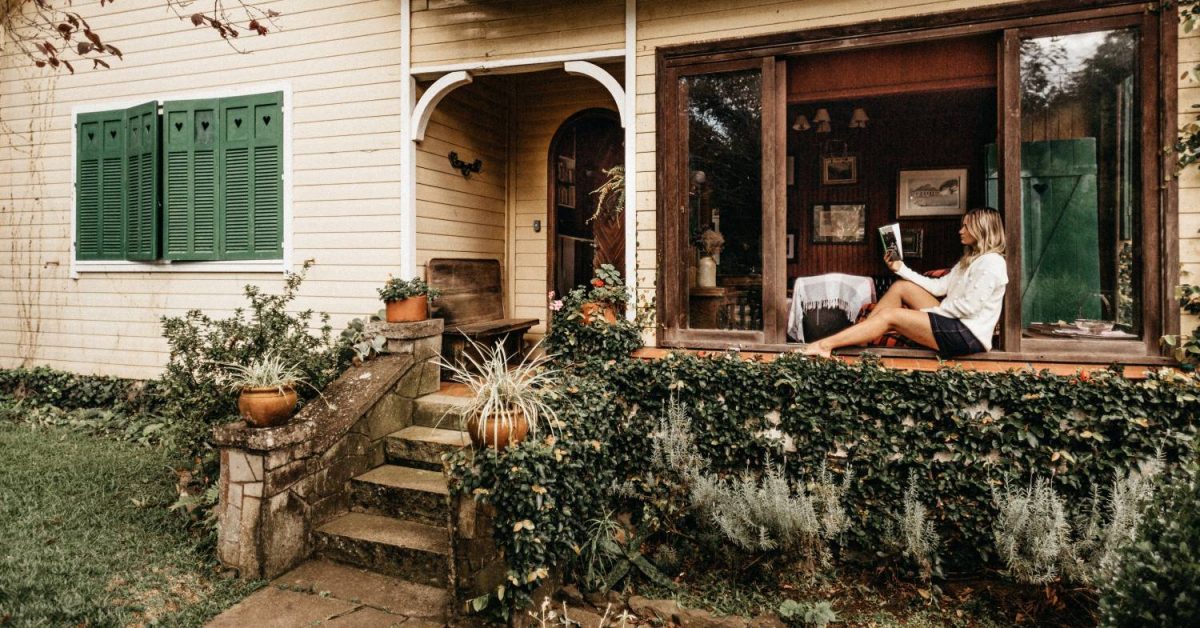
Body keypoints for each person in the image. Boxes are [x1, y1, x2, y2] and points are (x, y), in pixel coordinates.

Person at [801, 207, 1008, 359]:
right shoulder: (970, 260)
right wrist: (900, 268)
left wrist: (924, 315)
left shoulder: (992, 262)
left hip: (967, 335)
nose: (960, 230)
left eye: (966, 226)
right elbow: (939, 287)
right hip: (954, 321)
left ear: (981, 230)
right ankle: (862, 336)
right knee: (902, 287)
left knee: (891, 316)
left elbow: (969, 308)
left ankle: (824, 345)